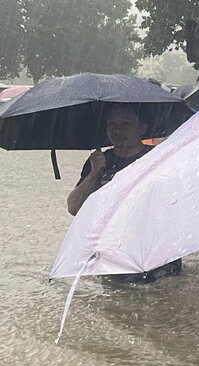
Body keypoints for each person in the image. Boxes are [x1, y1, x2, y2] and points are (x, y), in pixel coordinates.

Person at [66, 105, 181, 283]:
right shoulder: (98, 162)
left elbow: (173, 203)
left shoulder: (157, 158)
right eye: (111, 124)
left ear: (142, 128)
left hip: (157, 252)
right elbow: (73, 207)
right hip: (114, 254)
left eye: (126, 124)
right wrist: (94, 174)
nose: (117, 130)